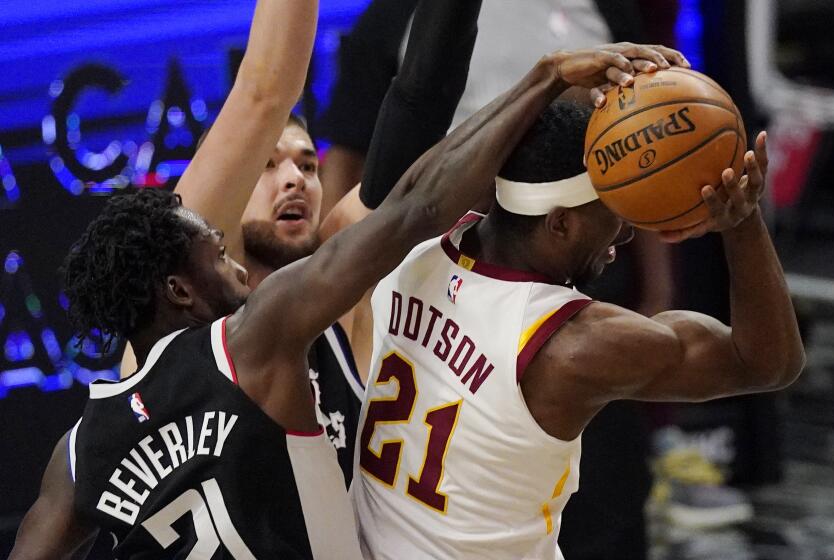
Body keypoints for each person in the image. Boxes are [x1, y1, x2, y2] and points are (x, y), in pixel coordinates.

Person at [10, 35, 673, 560]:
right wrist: (544, 80)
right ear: (179, 289)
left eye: (305, 161)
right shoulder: (257, 339)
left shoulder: (79, 450)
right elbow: (416, 199)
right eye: (212, 241)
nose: (224, 239)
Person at [350, 103, 805, 560]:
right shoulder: (570, 344)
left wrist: (556, 81)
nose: (625, 234)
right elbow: (767, 362)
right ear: (561, 223)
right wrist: (742, 222)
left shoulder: (411, 243)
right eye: (612, 211)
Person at [152, 0, 484, 486]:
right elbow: (265, 90)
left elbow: (419, 102)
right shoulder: (188, 286)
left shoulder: (335, 283)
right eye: (267, 164)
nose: (295, 180)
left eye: (308, 165)